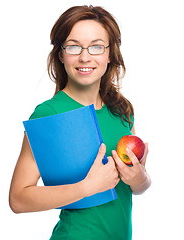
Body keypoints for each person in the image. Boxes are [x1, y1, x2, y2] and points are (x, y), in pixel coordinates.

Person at [9, 5, 151, 240]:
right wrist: (87, 187)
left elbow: (138, 186)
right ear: (61, 54)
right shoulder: (49, 113)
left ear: (109, 54)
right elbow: (18, 199)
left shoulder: (122, 109)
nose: (85, 57)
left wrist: (140, 179)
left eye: (96, 46)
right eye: (74, 46)